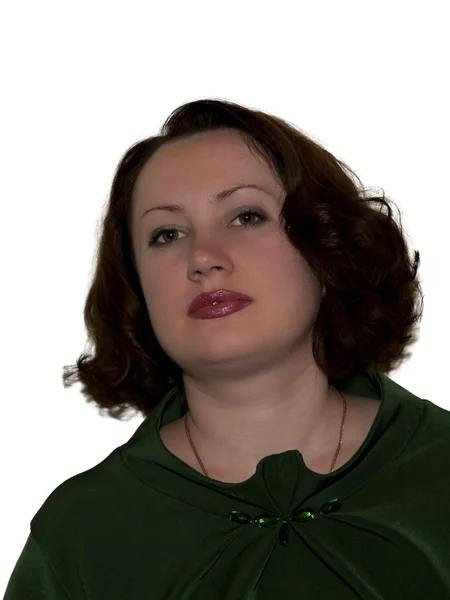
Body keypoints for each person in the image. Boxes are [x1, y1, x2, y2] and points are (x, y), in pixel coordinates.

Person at [4, 98, 450, 600]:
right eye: (167, 234)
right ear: (137, 288)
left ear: (326, 247)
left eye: (245, 216)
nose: (203, 257)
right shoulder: (81, 535)